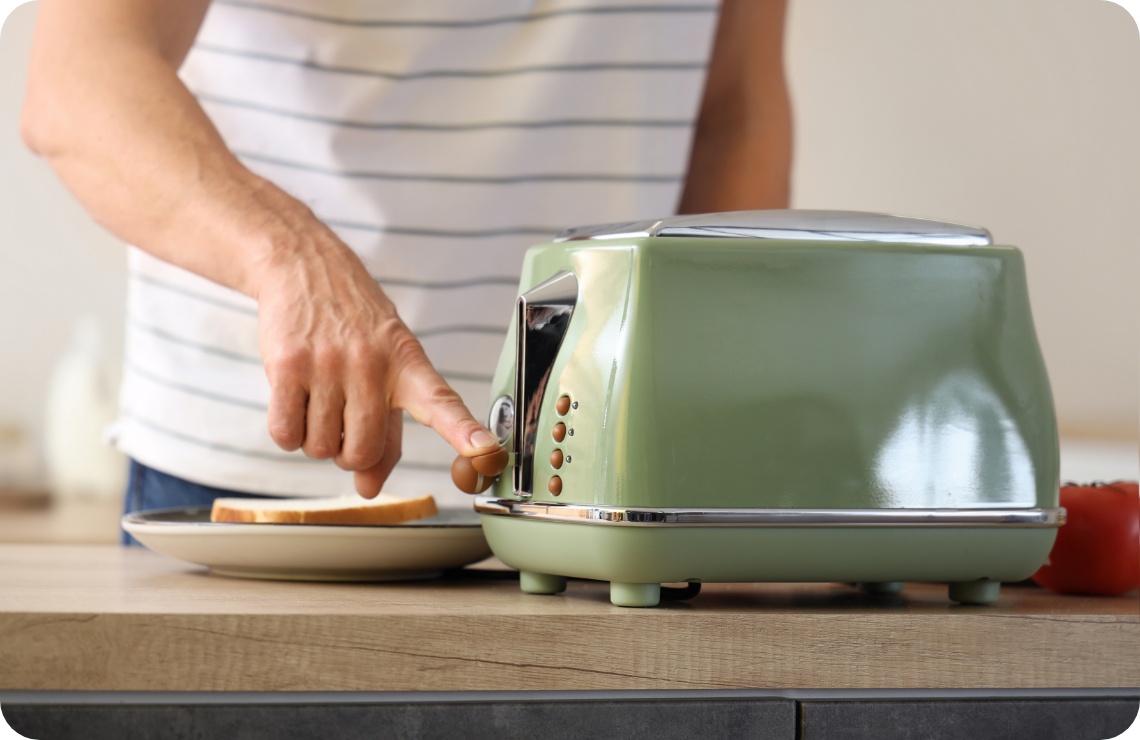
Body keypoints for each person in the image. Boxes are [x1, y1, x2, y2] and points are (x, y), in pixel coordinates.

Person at [20, 0, 792, 529]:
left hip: (612, 499)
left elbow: (733, 105)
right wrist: (292, 259)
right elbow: (76, 83)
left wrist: (722, 439)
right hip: (253, 490)